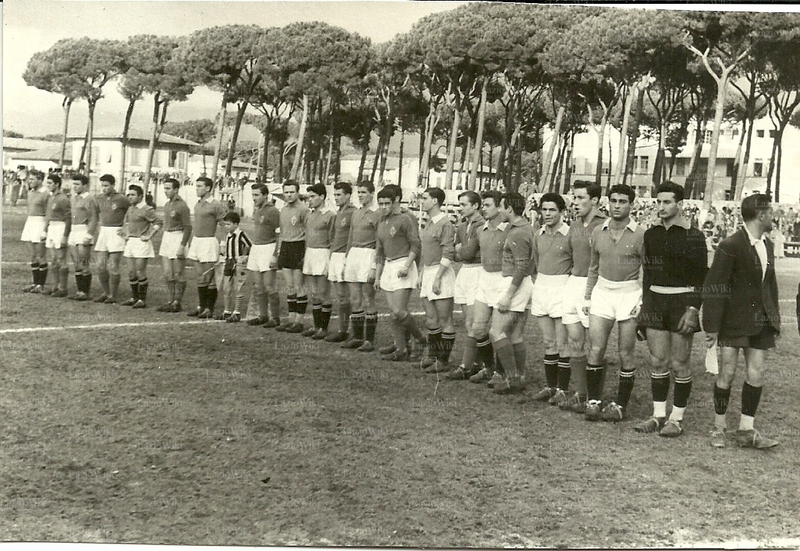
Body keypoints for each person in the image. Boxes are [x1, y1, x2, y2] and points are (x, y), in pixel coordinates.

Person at [703, 193, 781, 449]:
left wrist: (774, 320)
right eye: (770, 212)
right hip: (733, 323)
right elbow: (714, 286)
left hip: (760, 322)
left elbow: (769, 286)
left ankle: (746, 430)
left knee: (757, 373)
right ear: (761, 215)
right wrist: (712, 327)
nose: (773, 217)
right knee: (727, 373)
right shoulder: (730, 245)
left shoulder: (768, 245)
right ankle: (719, 427)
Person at [634, 182, 707, 437]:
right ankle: (658, 416)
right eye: (659, 202)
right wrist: (644, 309)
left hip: (681, 303)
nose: (661, 207)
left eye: (667, 202)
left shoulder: (694, 236)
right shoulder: (651, 234)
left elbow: (701, 277)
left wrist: (693, 309)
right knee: (658, 361)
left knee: (679, 363)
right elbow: (648, 275)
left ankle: (676, 419)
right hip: (655, 301)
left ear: (680, 204)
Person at [583, 184, 645, 422]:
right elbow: (593, 267)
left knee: (625, 352)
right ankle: (593, 400)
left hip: (629, 294)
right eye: (613, 201)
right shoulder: (598, 231)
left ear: (631, 205)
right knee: (596, 349)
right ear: (607, 203)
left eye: (622, 202)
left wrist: (643, 301)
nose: (617, 206)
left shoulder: (640, 234)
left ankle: (620, 405)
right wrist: (588, 296)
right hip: (602, 292)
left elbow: (648, 270)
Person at [560, 181, 607, 413]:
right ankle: (580, 393)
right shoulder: (574, 225)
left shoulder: (605, 225)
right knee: (574, 341)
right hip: (573, 283)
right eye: (574, 198)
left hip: (595, 287)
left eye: (580, 198)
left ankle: (594, 396)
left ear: (595, 200)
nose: (575, 202)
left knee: (595, 345)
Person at [528, 192, 573, 404]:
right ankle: (550, 386)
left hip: (562, 287)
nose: (547, 214)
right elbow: (537, 262)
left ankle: (563, 390)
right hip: (542, 286)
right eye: (544, 209)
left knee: (562, 343)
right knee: (548, 342)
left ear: (562, 212)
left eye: (552, 210)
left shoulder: (570, 234)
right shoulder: (538, 234)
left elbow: (575, 264)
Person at [488, 191, 535, 394]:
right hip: (524, 282)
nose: (499, 210)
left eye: (502, 206)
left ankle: (512, 377)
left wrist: (508, 294)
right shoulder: (524, 227)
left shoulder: (518, 233)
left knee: (496, 332)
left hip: (515, 283)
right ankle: (519, 377)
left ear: (509, 208)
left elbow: (522, 265)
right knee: (515, 335)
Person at [374, 185, 424, 361]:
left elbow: (416, 245)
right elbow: (379, 251)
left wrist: (407, 265)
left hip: (402, 264)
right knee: (393, 313)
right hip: (388, 267)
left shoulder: (405, 219)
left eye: (386, 203)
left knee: (399, 311)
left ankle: (420, 339)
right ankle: (401, 349)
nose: (383, 207)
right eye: (380, 204)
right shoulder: (381, 222)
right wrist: (378, 276)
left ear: (394, 202)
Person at [467, 190, 507, 386]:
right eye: (483, 205)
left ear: (499, 207)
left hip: (503, 280)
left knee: (498, 331)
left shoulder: (509, 230)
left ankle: (501, 372)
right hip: (484, 279)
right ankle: (489, 367)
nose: (484, 208)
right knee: (478, 328)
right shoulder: (480, 230)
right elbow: (468, 252)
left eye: (488, 205)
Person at [445, 191, 485, 380]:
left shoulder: (481, 225)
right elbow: (455, 254)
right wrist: (461, 249)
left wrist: (461, 249)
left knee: (472, 322)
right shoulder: (461, 225)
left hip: (477, 271)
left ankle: (466, 366)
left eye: (463, 204)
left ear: (475, 206)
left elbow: (467, 253)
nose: (460, 208)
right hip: (464, 272)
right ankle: (477, 363)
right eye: (459, 204)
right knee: (469, 322)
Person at [418, 187, 457, 373]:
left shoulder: (446, 224)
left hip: (441, 273)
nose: (422, 201)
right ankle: (432, 355)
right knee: (431, 318)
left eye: (425, 198)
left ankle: (443, 360)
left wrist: (438, 278)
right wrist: (422, 273)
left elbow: (448, 252)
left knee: (445, 320)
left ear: (435, 201)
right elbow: (427, 251)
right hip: (428, 272)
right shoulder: (429, 222)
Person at [340, 181, 381, 350]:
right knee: (355, 298)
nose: (360, 195)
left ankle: (369, 340)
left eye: (363, 192)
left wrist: (374, 266)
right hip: (354, 255)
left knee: (368, 298)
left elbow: (379, 242)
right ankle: (357, 337)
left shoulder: (377, 214)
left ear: (372, 193)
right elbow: (350, 238)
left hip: (368, 255)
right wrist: (345, 262)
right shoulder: (356, 213)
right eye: (359, 192)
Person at [187, 176, 227, 319]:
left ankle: (209, 308)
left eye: (200, 186)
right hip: (197, 241)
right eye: (196, 186)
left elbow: (224, 225)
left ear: (208, 188)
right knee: (200, 277)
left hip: (208, 242)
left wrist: (223, 243)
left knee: (208, 277)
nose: (197, 189)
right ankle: (201, 306)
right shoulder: (198, 204)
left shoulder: (216, 204)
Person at [301, 184, 336, 340]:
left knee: (323, 293)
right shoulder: (309, 214)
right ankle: (316, 326)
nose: (310, 200)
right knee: (314, 293)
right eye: (309, 197)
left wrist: (331, 258)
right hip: (310, 253)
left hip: (323, 253)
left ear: (322, 197)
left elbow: (333, 239)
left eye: (313, 196)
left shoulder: (330, 215)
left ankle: (324, 328)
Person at [274, 180, 308, 334]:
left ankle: (299, 322)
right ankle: (291, 319)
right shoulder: (283, 209)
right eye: (286, 192)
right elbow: (282, 233)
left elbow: (308, 232)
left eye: (292, 192)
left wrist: (305, 253)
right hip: (286, 247)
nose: (288, 195)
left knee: (299, 285)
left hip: (298, 246)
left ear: (298, 192)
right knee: (289, 286)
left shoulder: (303, 209)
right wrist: (278, 252)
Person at [246, 183, 282, 327]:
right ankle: (263, 315)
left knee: (269, 285)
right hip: (256, 248)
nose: (254, 198)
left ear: (265, 195)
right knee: (258, 286)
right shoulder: (257, 209)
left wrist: (275, 254)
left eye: (257, 195)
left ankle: (275, 317)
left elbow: (279, 234)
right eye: (252, 195)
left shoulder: (273, 211)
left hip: (268, 248)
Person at [120, 185, 162, 308]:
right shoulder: (130, 209)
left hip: (141, 243)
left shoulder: (146, 209)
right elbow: (127, 223)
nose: (130, 197)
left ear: (140, 196)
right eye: (129, 195)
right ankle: (134, 297)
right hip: (131, 242)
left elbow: (158, 222)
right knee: (131, 272)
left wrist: (149, 235)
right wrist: (126, 233)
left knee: (140, 271)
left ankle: (142, 300)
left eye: (133, 195)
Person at [325, 182, 356, 343]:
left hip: (346, 255)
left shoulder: (353, 212)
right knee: (341, 296)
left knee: (349, 296)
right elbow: (333, 235)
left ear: (348, 195)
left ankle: (350, 331)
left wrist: (348, 257)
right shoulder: (338, 213)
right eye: (335, 195)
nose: (336, 198)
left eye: (339, 195)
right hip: (335, 256)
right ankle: (343, 330)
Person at [157, 178, 193, 313]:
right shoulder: (167, 205)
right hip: (167, 237)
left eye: (168, 188)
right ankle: (171, 300)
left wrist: (182, 246)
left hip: (178, 237)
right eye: (164, 188)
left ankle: (178, 301)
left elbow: (188, 227)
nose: (165, 191)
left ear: (176, 189)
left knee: (178, 273)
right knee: (168, 274)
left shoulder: (182, 206)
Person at [93, 174, 130, 303]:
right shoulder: (98, 198)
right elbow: (95, 213)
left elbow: (132, 210)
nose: (104, 188)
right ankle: (106, 292)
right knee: (100, 266)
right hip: (104, 232)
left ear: (113, 185)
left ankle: (113, 295)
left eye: (106, 185)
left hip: (116, 232)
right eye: (102, 185)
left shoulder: (122, 199)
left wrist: (126, 226)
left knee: (114, 266)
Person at [66, 175, 98, 300]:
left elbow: (94, 218)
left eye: (77, 184)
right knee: (76, 263)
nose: (75, 187)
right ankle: (79, 291)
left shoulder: (89, 199)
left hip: (83, 230)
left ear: (85, 185)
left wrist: (89, 234)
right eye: (73, 184)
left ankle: (85, 292)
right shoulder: (73, 198)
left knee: (84, 262)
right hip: (74, 231)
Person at [41, 174, 71, 296]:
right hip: (52, 228)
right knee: (53, 259)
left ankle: (63, 288)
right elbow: (48, 216)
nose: (48, 185)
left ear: (57, 184)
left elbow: (68, 218)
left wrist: (65, 235)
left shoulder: (63, 199)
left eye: (50, 183)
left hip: (60, 227)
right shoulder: (50, 197)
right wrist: (45, 230)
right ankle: (55, 286)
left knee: (61, 258)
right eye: (47, 183)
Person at [218, 212, 252, 322]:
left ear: (236, 224)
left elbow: (249, 245)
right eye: (225, 224)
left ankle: (237, 312)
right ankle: (227, 311)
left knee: (238, 288)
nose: (226, 227)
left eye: (228, 224)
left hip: (238, 264)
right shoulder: (227, 235)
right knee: (226, 288)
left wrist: (244, 256)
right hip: (228, 263)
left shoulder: (241, 234)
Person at [20, 170, 49, 293]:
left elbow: (48, 213)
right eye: (29, 179)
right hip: (30, 222)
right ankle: (35, 283)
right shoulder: (31, 192)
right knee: (33, 256)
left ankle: (41, 285)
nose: (29, 181)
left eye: (32, 179)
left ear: (40, 180)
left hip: (40, 223)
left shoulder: (46, 193)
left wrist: (45, 229)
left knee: (40, 255)